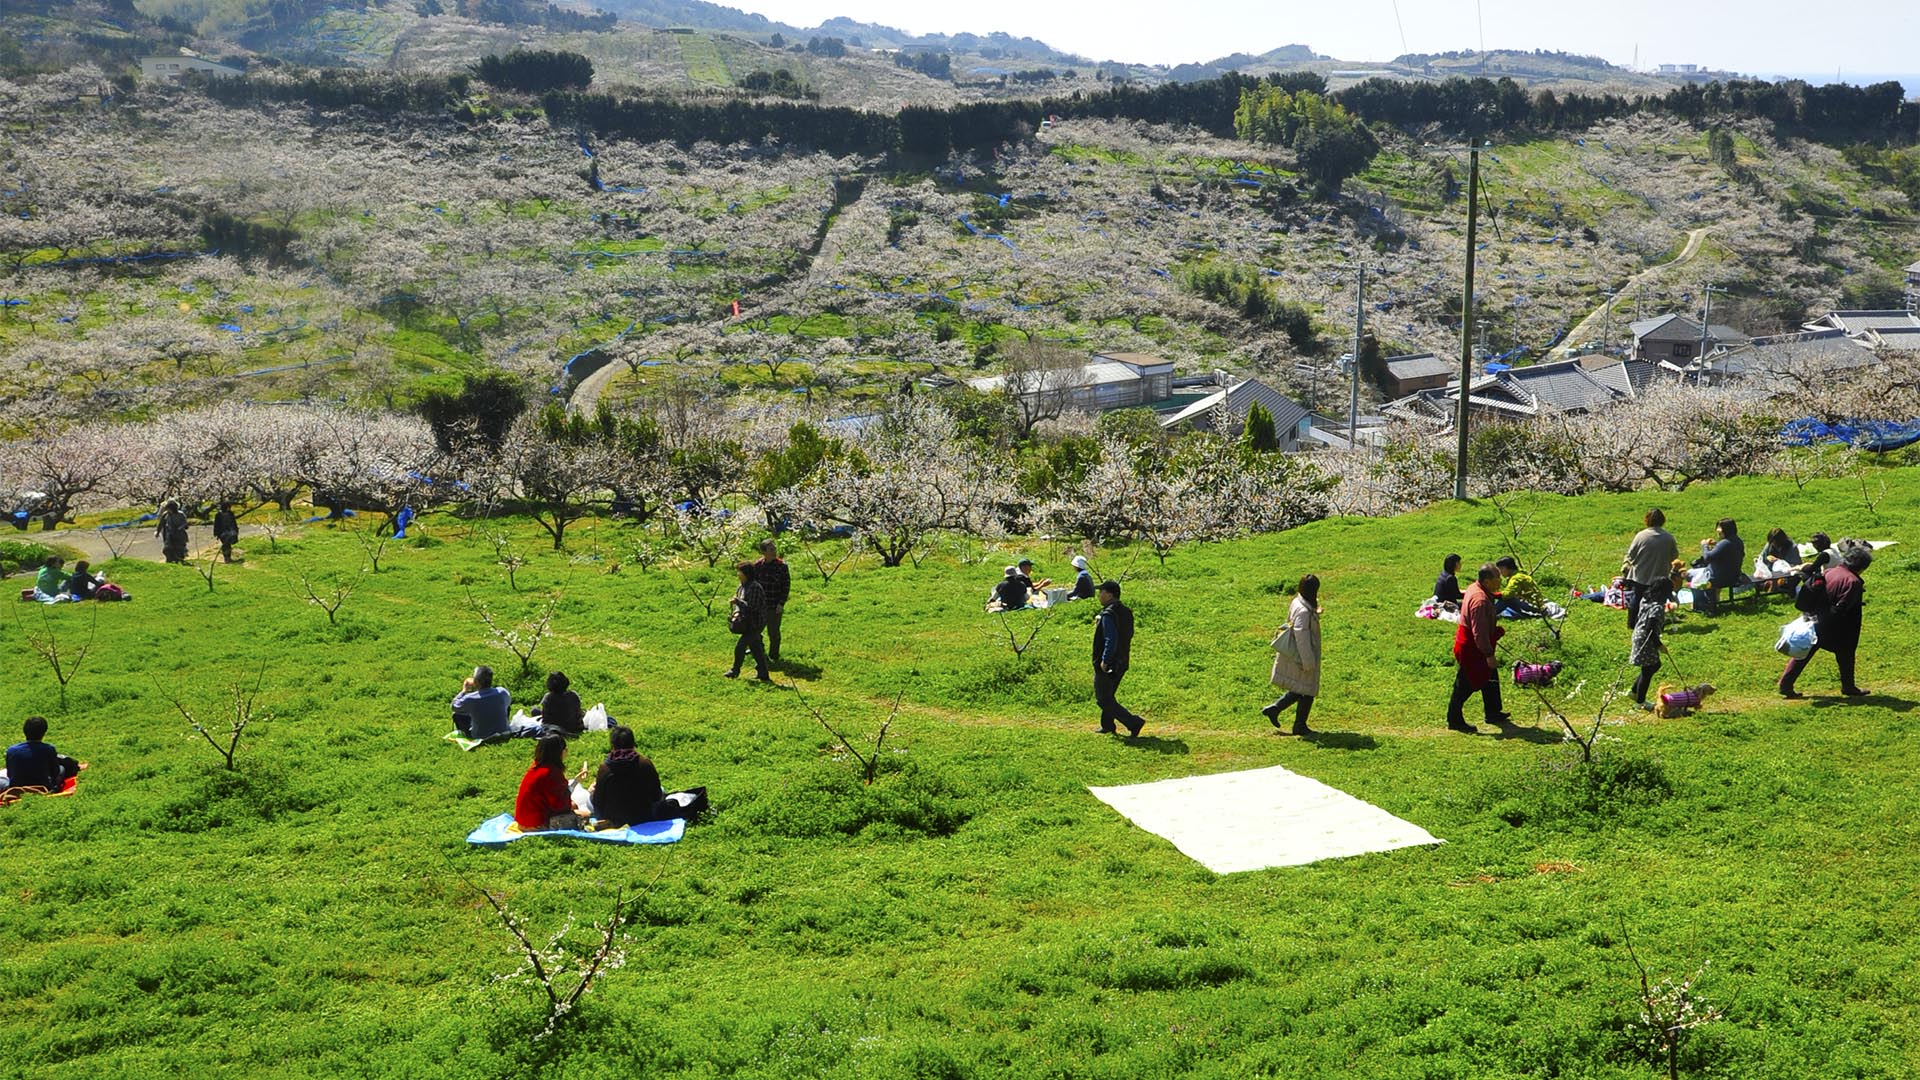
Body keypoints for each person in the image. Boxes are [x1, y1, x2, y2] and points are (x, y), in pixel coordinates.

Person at [1779, 545, 1871, 699]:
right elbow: (1843, 607)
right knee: (1846, 654)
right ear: (1862, 567)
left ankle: (1785, 684)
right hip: (1838, 626)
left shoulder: (1830, 571)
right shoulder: (1853, 582)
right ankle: (1848, 686)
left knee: (1804, 652)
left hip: (1816, 620)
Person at [1447, 564, 1509, 733]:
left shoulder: (1474, 587)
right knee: (1465, 684)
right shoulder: (1480, 601)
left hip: (1474, 645)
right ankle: (1454, 720)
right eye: (1498, 579)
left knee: (1491, 676)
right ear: (1488, 581)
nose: (1500, 581)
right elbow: (1479, 632)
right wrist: (1488, 654)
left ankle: (1493, 712)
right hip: (1472, 649)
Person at [1263, 574, 1322, 736]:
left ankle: (1276, 710)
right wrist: (1308, 661)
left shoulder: (1298, 602)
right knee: (1306, 690)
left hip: (1298, 654)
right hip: (1301, 655)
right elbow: (1301, 636)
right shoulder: (1304, 611)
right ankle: (1298, 725)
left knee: (1301, 688)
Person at [588, 725, 671, 827]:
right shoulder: (645, 763)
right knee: (662, 790)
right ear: (633, 744)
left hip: (614, 816)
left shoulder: (605, 768)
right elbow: (656, 795)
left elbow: (598, 801)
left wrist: (593, 790)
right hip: (644, 815)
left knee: (590, 796)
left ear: (612, 745)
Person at [1092, 580, 1143, 737]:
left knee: (1103, 699)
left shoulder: (1108, 614)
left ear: (1109, 595)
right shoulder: (1126, 612)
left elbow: (1110, 639)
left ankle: (1133, 722)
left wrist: (1105, 660)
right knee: (1109, 695)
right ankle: (1107, 725)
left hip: (1110, 662)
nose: (1099, 595)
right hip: (1122, 659)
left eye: (1101, 592)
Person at [1622, 509, 1679, 631]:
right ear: (1663, 520)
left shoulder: (1641, 536)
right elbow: (1674, 556)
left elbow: (1631, 554)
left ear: (1647, 520)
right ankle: (1656, 624)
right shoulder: (1669, 538)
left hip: (1641, 575)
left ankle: (1632, 623)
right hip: (1660, 576)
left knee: (1637, 598)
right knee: (1658, 601)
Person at [513, 734, 581, 831]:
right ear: (558, 752)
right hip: (536, 825)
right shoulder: (551, 773)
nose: (566, 751)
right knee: (584, 814)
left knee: (574, 806)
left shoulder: (536, 766)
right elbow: (560, 805)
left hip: (523, 821)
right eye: (565, 749)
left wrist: (575, 782)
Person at [3, 716, 80, 795]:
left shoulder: (11, 750)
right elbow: (55, 772)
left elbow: (10, 774)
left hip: (16, 787)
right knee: (62, 768)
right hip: (43, 786)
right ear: (44, 732)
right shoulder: (48, 749)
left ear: (24, 731)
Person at [726, 562, 772, 682]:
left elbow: (754, 607)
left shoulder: (755, 587)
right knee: (756, 648)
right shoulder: (741, 587)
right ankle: (763, 673)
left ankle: (735, 671)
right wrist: (736, 612)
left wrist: (738, 602)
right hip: (747, 622)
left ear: (745, 573)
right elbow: (741, 605)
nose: (738, 574)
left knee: (740, 646)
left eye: (739, 571)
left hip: (756, 623)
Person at [1690, 518, 1746, 613]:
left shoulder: (1725, 543)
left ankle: (1701, 604)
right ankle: (1714, 600)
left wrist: (1704, 546)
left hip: (1719, 578)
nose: (1717, 530)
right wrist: (1717, 545)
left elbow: (1708, 557)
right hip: (1734, 576)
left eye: (1720, 528)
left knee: (1690, 574)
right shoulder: (1737, 540)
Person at [753, 539, 791, 662]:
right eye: (771, 549)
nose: (774, 551)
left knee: (773, 632)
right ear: (764, 552)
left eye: (774, 549)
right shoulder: (758, 566)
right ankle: (759, 653)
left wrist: (781, 603)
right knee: (755, 630)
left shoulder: (782, 566)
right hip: (760, 605)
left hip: (774, 605)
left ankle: (774, 655)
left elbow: (786, 586)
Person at [452, 665, 511, 739]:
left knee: (457, 714)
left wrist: (464, 690)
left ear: (476, 682)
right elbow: (508, 703)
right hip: (503, 731)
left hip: (480, 735)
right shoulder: (502, 692)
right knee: (506, 706)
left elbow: (454, 706)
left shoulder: (470, 698)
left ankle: (467, 734)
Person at [536, 670, 584, 734]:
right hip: (574, 727)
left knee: (535, 710)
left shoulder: (548, 697)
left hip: (554, 727)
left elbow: (545, 717)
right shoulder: (573, 694)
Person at [156, 500, 189, 564]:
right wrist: (158, 532)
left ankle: (179, 560)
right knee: (167, 549)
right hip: (169, 535)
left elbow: (185, 524)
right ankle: (169, 560)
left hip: (179, 535)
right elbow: (161, 523)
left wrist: (180, 528)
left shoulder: (181, 514)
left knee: (179, 549)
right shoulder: (165, 515)